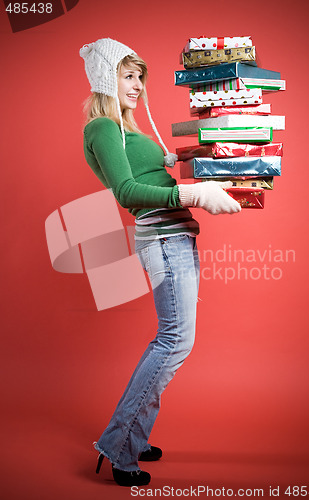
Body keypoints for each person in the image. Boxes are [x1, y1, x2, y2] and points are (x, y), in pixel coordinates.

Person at [79, 37, 241, 487]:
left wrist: (180, 160)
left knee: (175, 340)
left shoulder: (127, 130)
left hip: (175, 236)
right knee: (174, 341)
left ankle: (133, 435)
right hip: (164, 237)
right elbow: (127, 192)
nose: (137, 85)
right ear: (104, 78)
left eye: (139, 77)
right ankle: (120, 443)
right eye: (127, 76)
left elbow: (144, 172)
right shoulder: (103, 128)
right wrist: (190, 192)